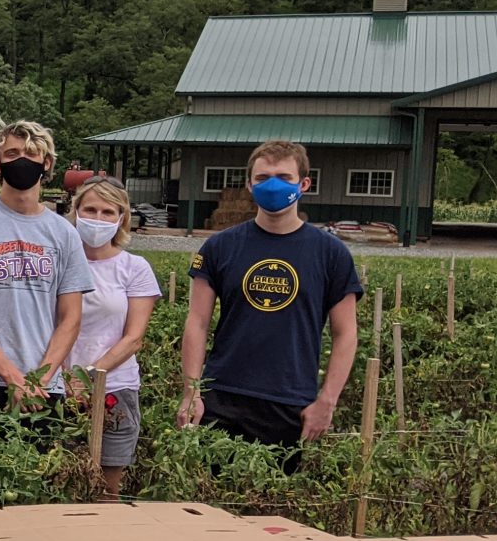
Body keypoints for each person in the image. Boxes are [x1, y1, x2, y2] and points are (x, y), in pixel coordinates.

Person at [180, 139, 362, 449]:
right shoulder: (220, 247)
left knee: (277, 494)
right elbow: (197, 322)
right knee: (209, 493)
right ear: (249, 185)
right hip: (222, 396)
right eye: (263, 178)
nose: (273, 186)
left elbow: (345, 333)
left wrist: (327, 402)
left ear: (304, 183)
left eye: (285, 178)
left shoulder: (332, 254)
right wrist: (192, 392)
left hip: (291, 401)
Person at [0, 120, 92, 417]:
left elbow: (70, 318)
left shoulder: (64, 234)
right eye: (12, 154)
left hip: (44, 388)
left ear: (46, 164)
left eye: (31, 153)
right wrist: (13, 378)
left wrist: (39, 380)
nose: (21, 159)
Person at [65, 177, 160, 497]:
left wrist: (88, 378)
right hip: (57, 387)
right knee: (58, 480)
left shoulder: (134, 268)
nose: (98, 218)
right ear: (75, 211)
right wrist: (62, 378)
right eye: (90, 209)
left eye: (108, 212)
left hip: (114, 389)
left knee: (107, 487)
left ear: (122, 218)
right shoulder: (59, 262)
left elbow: (133, 338)